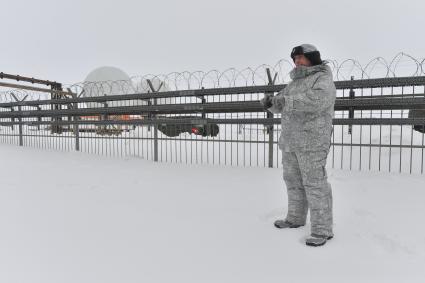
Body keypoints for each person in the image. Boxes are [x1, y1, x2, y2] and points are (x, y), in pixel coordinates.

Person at [261, 44, 336, 247]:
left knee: (315, 184)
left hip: (312, 142)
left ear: (312, 58)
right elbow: (282, 103)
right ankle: (295, 218)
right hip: (291, 141)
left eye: (301, 58)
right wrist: (271, 103)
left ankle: (322, 230)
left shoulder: (322, 78)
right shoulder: (294, 83)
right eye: (295, 59)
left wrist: (286, 101)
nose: (297, 62)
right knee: (292, 181)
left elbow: (317, 100)